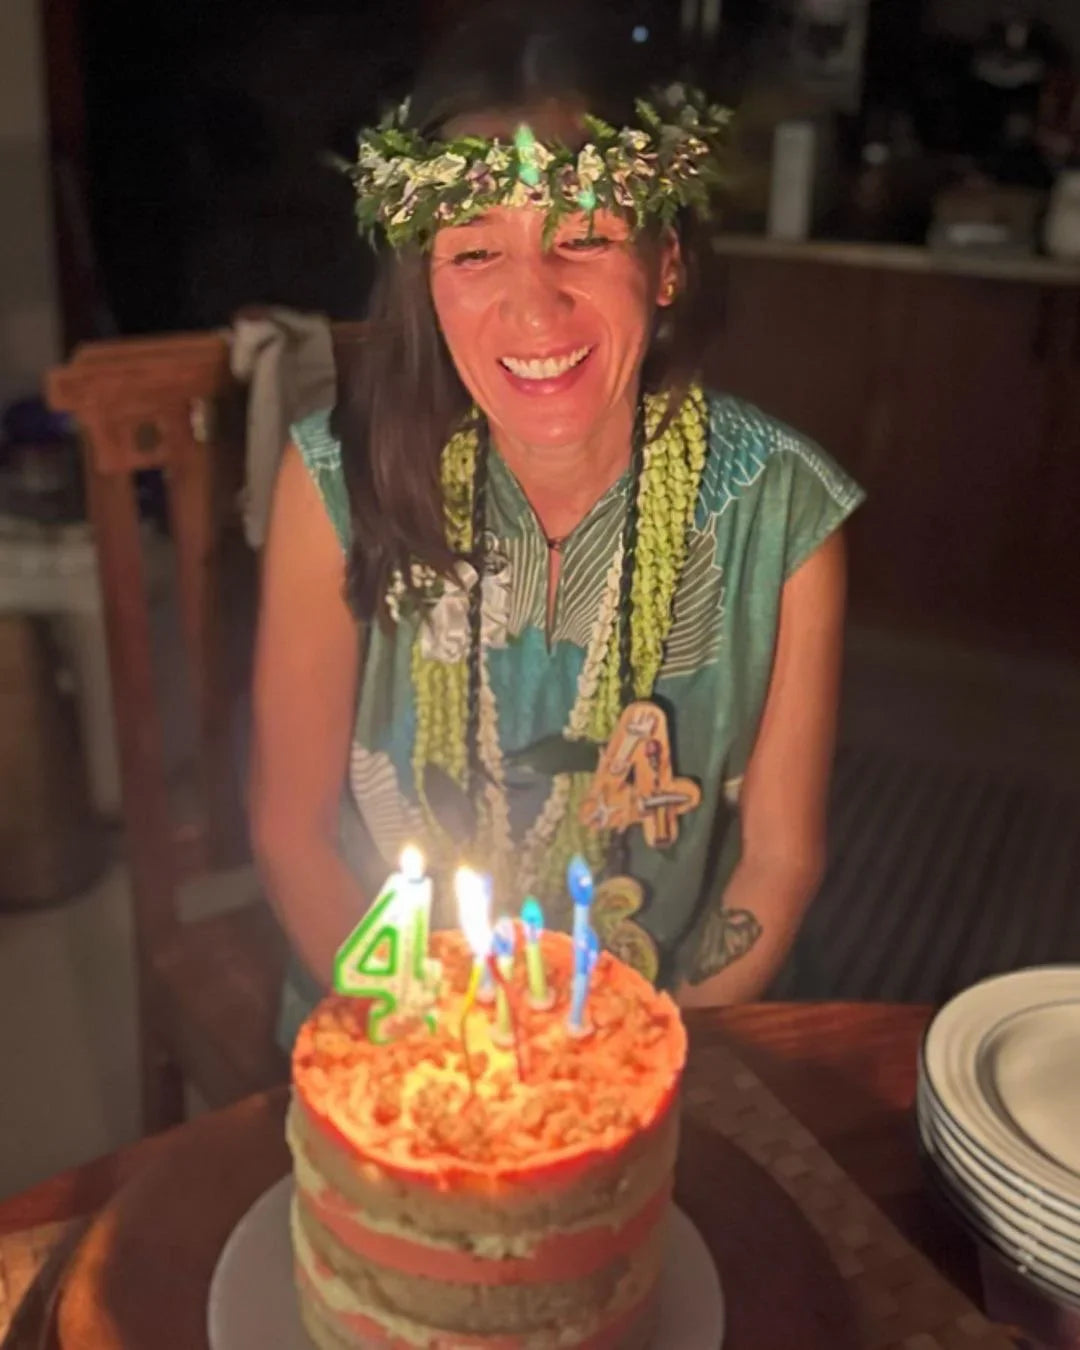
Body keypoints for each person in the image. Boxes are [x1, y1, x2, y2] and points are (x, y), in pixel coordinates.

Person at [250, 2, 864, 1047]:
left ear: (667, 262)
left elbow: (778, 859)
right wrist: (451, 1063)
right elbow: (293, 830)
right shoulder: (334, 481)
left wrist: (632, 1072)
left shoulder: (784, 511)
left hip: (666, 1038)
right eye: (476, 254)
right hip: (398, 1036)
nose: (535, 313)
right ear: (428, 284)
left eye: (582, 238)